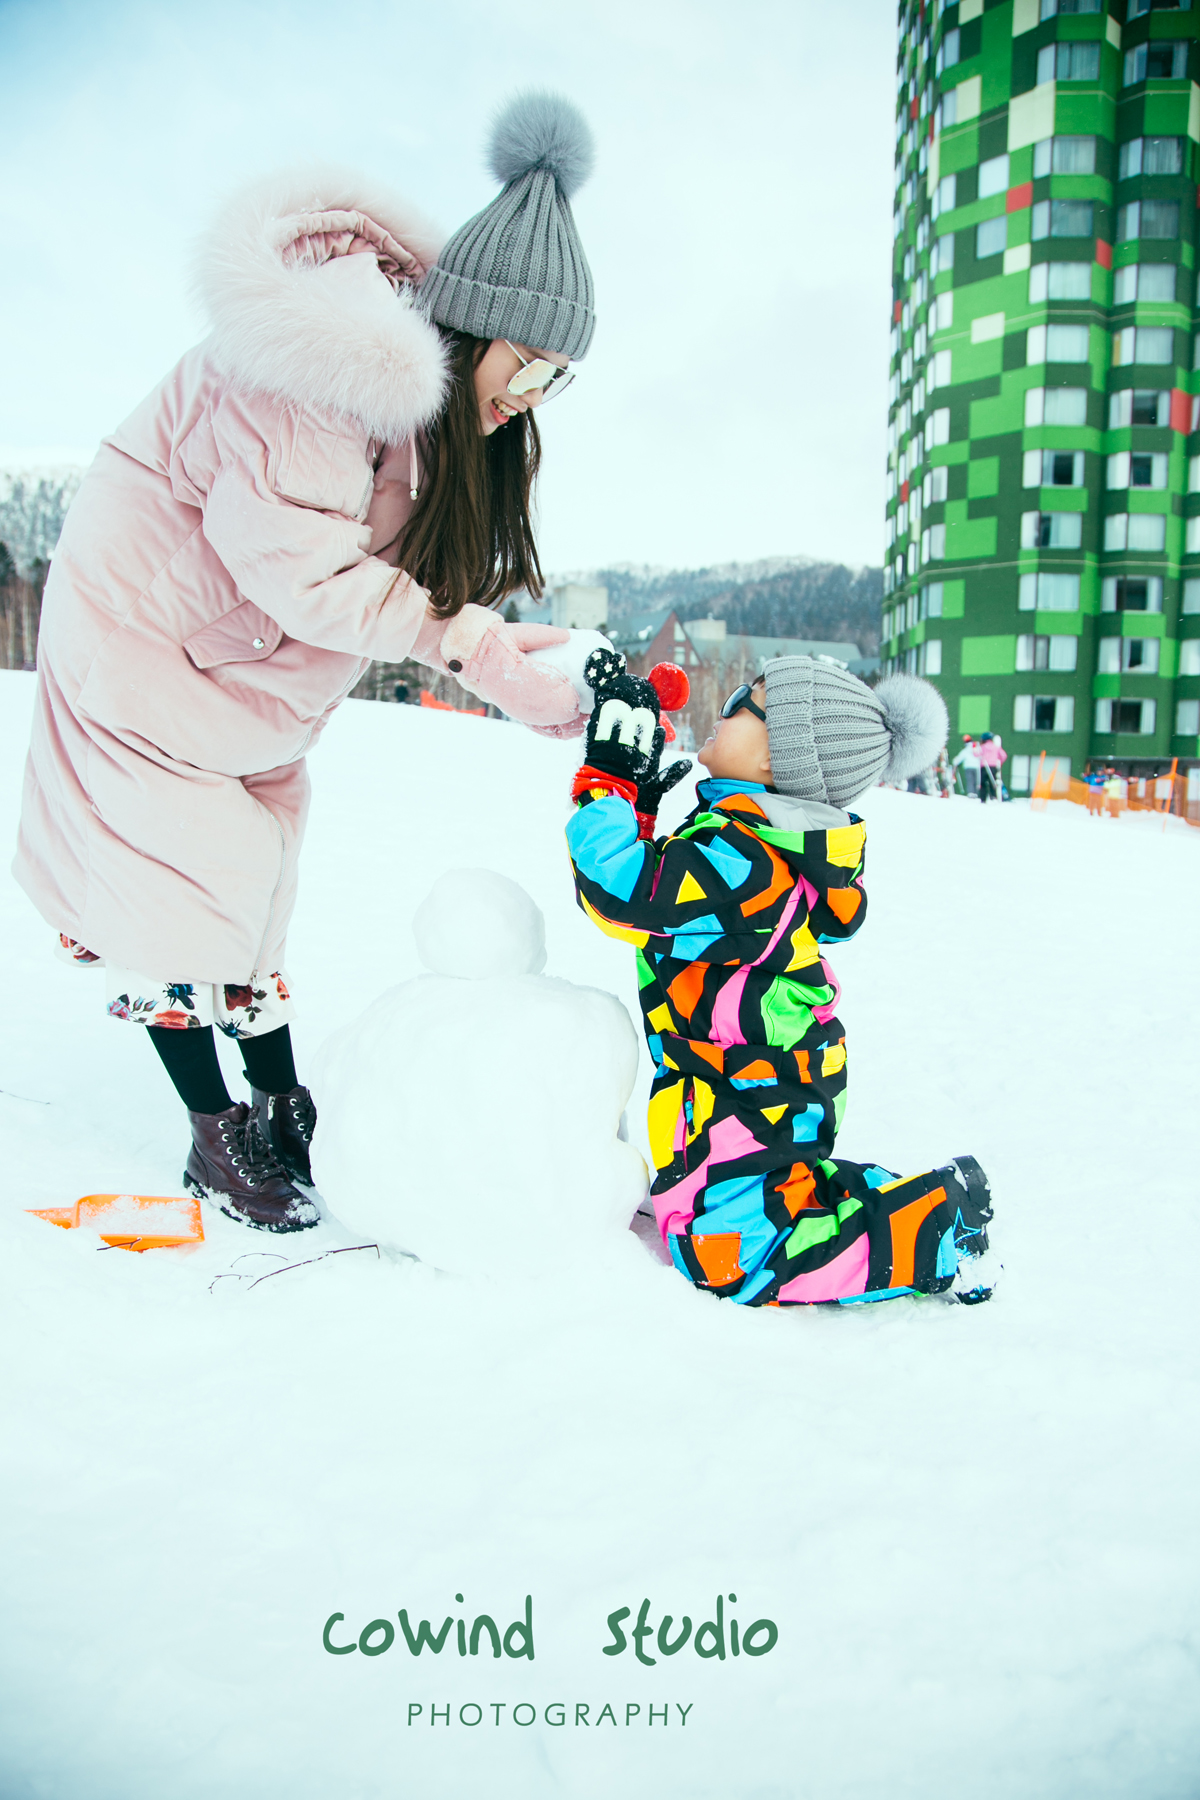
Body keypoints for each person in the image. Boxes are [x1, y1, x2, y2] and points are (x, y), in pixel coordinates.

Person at [13, 92, 598, 1232]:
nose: (529, 400)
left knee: (257, 881)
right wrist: (464, 640)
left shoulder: (428, 402)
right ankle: (212, 1132)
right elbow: (304, 571)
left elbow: (375, 571)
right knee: (180, 895)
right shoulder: (324, 371)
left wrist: (484, 632)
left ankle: (280, 1099)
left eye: (553, 381)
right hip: (149, 646)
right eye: (526, 367)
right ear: (476, 326)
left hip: (244, 675)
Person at [565, 652, 997, 1307]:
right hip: (752, 1072)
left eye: (744, 702)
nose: (727, 706)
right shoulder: (749, 843)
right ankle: (887, 1202)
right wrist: (641, 812)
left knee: (731, 1259)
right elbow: (656, 907)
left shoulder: (747, 858)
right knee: (748, 1201)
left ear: (779, 758)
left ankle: (937, 1233)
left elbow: (621, 891)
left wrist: (609, 784)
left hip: (751, 1081)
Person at [976, 731, 1007, 804]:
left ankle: (983, 798)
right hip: (993, 766)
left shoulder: (982, 747)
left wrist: (975, 747)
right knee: (992, 782)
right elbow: (1003, 755)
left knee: (983, 783)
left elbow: (976, 754)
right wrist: (1000, 762)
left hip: (984, 766)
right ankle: (993, 796)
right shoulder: (996, 747)